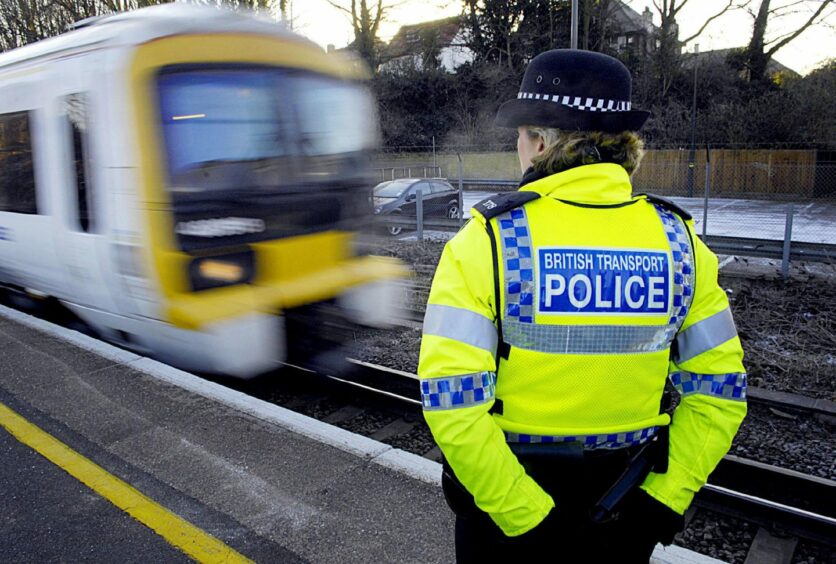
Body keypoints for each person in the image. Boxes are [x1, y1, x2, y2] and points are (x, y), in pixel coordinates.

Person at [418, 49, 747, 563]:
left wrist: (525, 516)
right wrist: (662, 501)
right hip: (624, 509)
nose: (518, 148)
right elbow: (720, 393)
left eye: (521, 136)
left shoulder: (489, 240)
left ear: (543, 141)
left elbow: (451, 401)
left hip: (506, 522)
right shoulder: (680, 243)